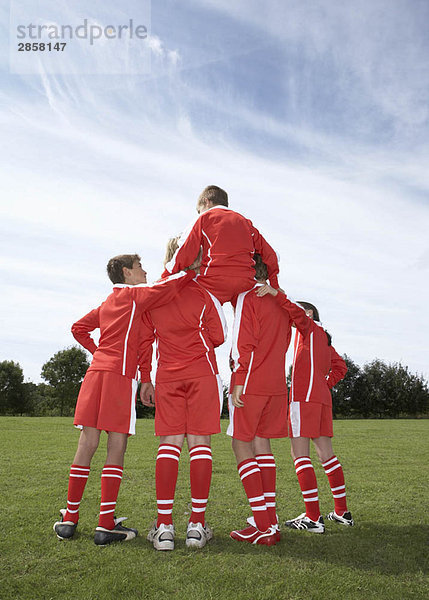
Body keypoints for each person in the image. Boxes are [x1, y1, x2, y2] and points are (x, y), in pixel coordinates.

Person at [53, 254, 195, 546]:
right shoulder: (136, 295)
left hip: (95, 375)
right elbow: (168, 287)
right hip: (119, 377)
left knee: (87, 444)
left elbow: (78, 328)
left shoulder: (108, 302)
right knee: (116, 446)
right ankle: (105, 524)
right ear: (127, 272)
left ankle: (69, 519)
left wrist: (99, 353)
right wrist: (192, 270)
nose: (146, 272)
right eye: (141, 268)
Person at [140, 239, 227, 550]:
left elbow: (144, 338)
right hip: (202, 373)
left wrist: (145, 378)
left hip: (167, 375)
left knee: (170, 444)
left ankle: (164, 528)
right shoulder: (205, 291)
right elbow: (219, 336)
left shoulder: (154, 291)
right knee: (200, 443)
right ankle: (196, 527)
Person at [257, 286, 353, 533]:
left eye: (299, 312)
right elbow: (340, 367)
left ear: (308, 313)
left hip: (304, 400)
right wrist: (323, 384)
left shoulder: (308, 328)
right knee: (326, 456)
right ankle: (342, 512)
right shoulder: (323, 338)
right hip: (321, 400)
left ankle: (313, 518)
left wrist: (273, 292)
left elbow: (291, 309)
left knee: (300, 455)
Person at [227, 255, 309, 545]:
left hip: (251, 382)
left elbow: (243, 343)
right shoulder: (279, 299)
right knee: (262, 443)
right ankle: (270, 521)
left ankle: (263, 525)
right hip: (276, 385)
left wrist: (237, 380)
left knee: (241, 443)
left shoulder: (249, 297)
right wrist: (281, 295)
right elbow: (306, 324)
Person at [162, 185, 280, 304]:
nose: (199, 214)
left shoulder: (204, 218)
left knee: (192, 293)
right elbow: (270, 255)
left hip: (215, 281)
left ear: (206, 202)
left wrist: (165, 277)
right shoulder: (245, 222)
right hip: (245, 282)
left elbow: (184, 251)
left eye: (199, 210)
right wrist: (275, 285)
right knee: (242, 313)